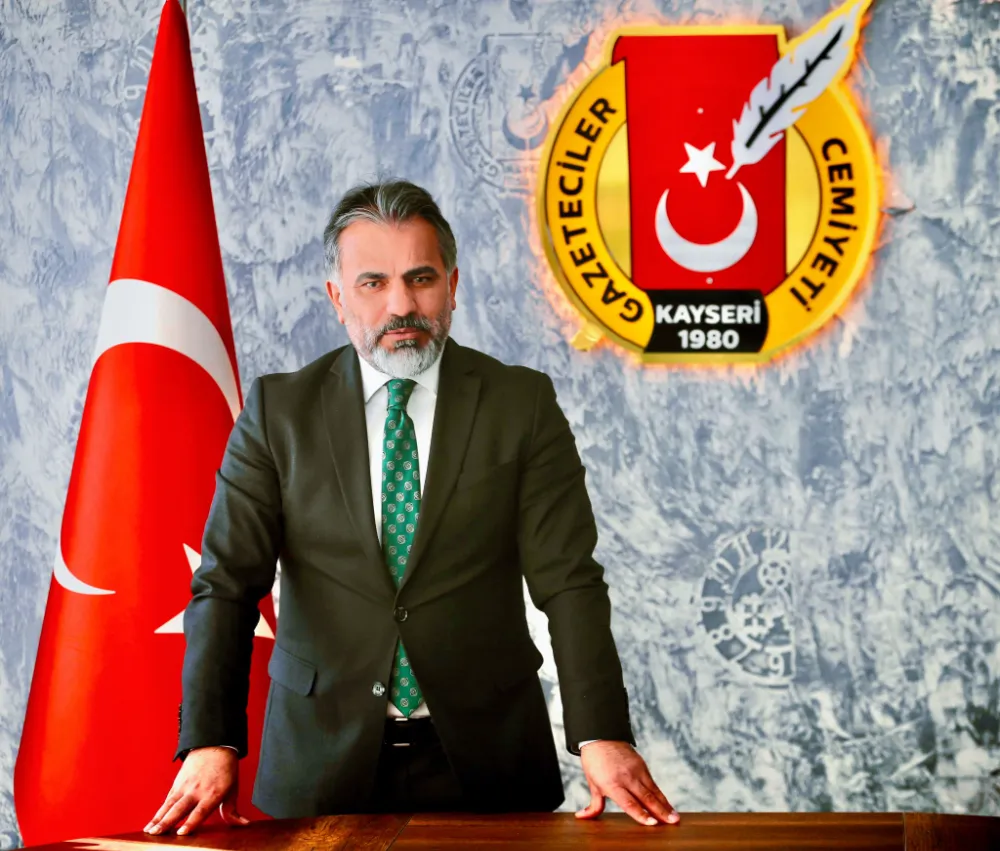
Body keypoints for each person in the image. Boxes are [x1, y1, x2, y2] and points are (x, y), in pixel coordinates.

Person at [144, 180, 678, 836]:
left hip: (490, 760)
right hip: (317, 760)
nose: (401, 304)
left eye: (420, 278)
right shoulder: (278, 412)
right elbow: (226, 583)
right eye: (373, 282)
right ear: (338, 297)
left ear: (452, 285)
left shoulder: (521, 404)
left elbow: (569, 581)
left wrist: (600, 733)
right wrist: (211, 739)